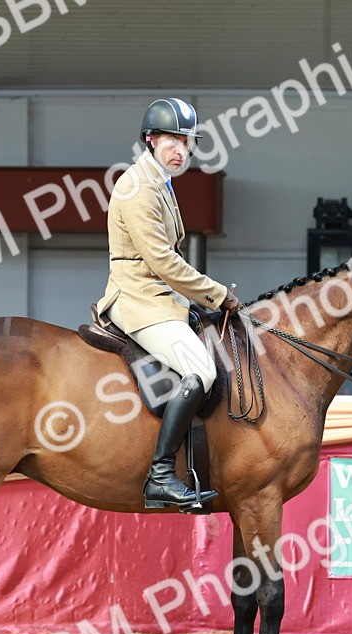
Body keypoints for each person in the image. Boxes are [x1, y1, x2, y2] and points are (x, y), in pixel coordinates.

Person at [97, 98, 240, 509]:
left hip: (162, 298)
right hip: (138, 299)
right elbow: (162, 260)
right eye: (173, 140)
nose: (181, 149)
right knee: (202, 369)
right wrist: (217, 294)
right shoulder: (138, 187)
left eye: (187, 141)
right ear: (150, 139)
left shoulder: (161, 180)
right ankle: (161, 474)